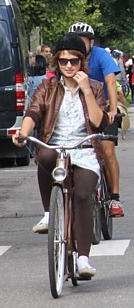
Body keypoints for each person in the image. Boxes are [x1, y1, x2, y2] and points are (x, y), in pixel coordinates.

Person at [13, 33, 109, 278]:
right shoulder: (47, 87)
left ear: (82, 62)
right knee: (43, 155)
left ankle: (84, 260)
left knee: (84, 194)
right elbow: (33, 112)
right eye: (63, 61)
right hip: (56, 148)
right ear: (56, 62)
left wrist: (86, 90)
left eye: (74, 61)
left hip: (85, 149)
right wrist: (23, 133)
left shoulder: (95, 87)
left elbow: (99, 123)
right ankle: (48, 213)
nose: (68, 66)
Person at [69, 22, 124, 217]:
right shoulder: (68, 59)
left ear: (91, 42)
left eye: (82, 41)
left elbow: (110, 81)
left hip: (103, 108)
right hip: (77, 110)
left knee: (108, 150)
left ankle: (115, 198)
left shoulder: (101, 55)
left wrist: (111, 108)